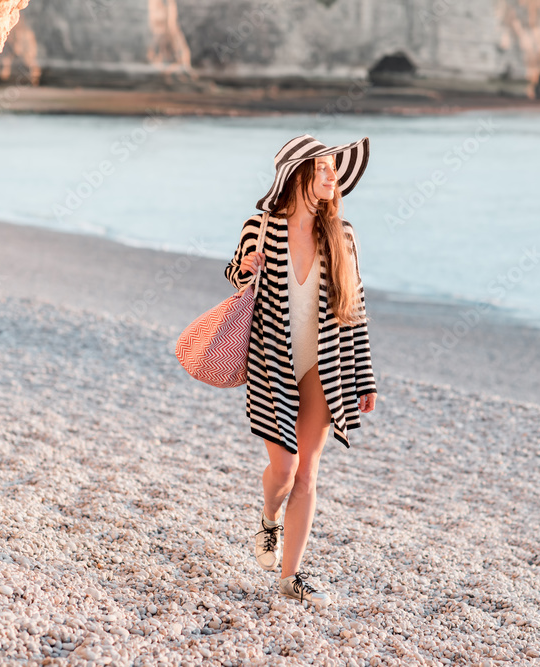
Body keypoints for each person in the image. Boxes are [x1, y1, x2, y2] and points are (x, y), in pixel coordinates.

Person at [224, 135, 378, 607]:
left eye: (335, 170)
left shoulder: (342, 235)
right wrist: (245, 267)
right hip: (272, 362)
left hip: (325, 366)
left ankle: (291, 577)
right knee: (284, 469)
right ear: (298, 175)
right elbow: (236, 274)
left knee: (308, 472)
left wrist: (365, 376)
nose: (333, 178)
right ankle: (269, 518)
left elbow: (356, 308)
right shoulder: (260, 225)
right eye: (325, 169)